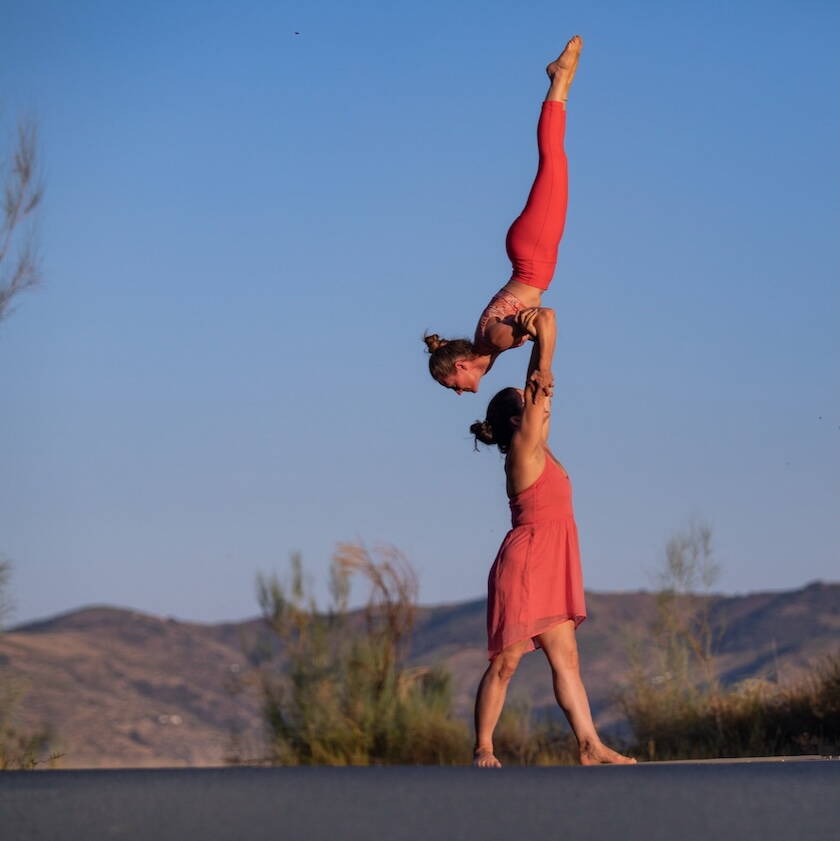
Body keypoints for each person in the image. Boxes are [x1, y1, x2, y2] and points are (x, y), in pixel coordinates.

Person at [468, 345, 635, 767]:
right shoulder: (524, 451)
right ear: (514, 421)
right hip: (526, 566)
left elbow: (542, 397)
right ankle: (483, 748)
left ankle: (589, 745)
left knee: (568, 659)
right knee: (506, 662)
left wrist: (541, 371)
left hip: (550, 562)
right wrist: (541, 348)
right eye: (527, 406)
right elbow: (538, 390)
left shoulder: (539, 447)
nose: (539, 407)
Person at [423, 35, 582, 397]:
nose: (459, 392)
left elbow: (547, 317)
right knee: (554, 162)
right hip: (531, 252)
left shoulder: (492, 339)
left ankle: (558, 81)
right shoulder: (489, 348)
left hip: (534, 251)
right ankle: (563, 84)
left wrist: (543, 370)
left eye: (452, 385)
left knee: (554, 160)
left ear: (460, 366)